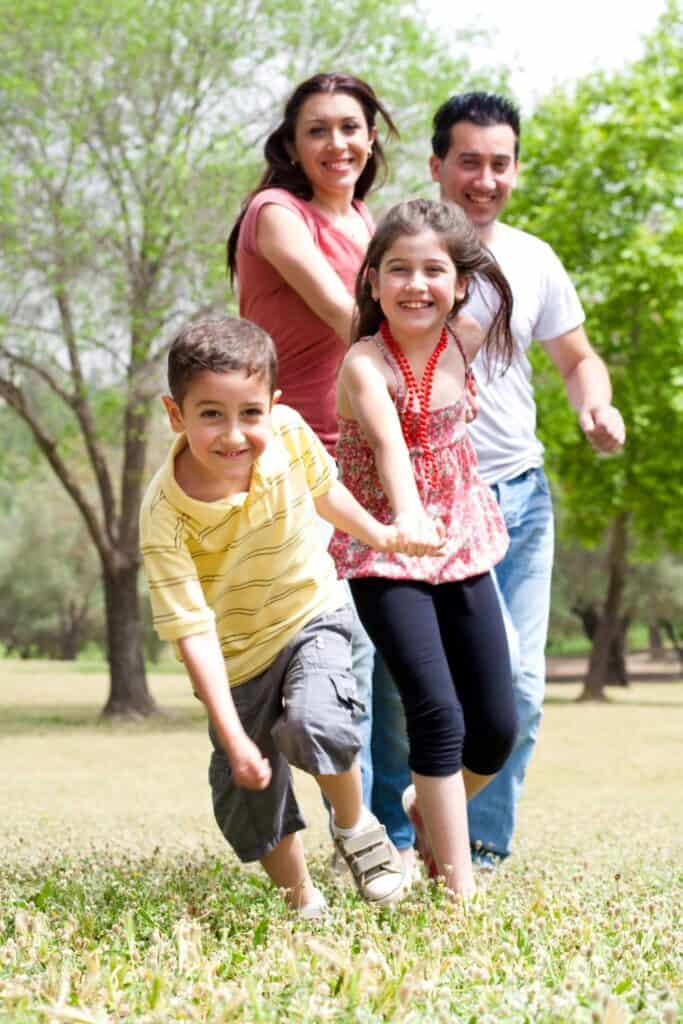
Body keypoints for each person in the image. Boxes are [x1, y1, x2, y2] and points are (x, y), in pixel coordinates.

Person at [371, 92, 626, 868]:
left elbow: (576, 358)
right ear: (436, 166)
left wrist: (596, 405)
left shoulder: (533, 259)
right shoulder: (398, 255)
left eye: (499, 163)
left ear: (514, 168)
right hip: (418, 502)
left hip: (513, 494)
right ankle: (390, 845)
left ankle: (477, 845)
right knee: (398, 689)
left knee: (516, 684)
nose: (485, 178)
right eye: (469, 161)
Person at [139, 317, 443, 915]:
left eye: (250, 413)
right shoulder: (165, 515)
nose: (234, 434)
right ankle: (303, 903)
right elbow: (193, 632)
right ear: (175, 415)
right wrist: (233, 738)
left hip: (312, 612)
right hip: (234, 656)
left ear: (273, 406)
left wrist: (381, 533)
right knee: (247, 789)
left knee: (318, 720)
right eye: (210, 415)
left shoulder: (289, 432)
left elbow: (324, 491)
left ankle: (357, 832)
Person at [330, 198, 519, 897]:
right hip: (386, 547)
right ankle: (457, 894)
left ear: (460, 282)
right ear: (372, 282)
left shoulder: (464, 341)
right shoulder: (363, 362)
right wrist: (405, 517)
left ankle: (425, 806)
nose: (416, 285)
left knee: (495, 729)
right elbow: (387, 451)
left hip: (462, 541)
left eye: (433, 270)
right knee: (435, 713)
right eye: (398, 270)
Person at [227, 72, 399, 808]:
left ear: (371, 137)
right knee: (327, 647)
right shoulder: (274, 213)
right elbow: (348, 318)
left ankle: (386, 825)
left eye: (350, 127)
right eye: (318, 130)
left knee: (388, 654)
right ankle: (337, 833)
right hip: (291, 460)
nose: (338, 143)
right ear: (293, 145)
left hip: (364, 454)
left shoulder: (368, 221)